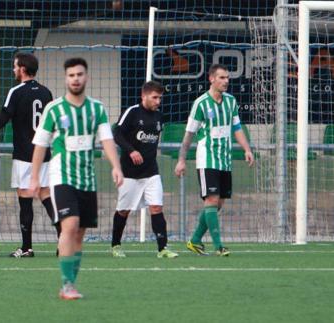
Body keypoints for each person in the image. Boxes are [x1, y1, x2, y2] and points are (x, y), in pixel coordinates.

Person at [29, 57, 123, 300]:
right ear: (66, 78)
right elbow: (40, 145)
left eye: (79, 74)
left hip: (87, 179)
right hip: (62, 177)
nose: (76, 79)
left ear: (86, 77)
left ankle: (70, 283)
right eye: (71, 75)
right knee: (69, 226)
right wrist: (35, 177)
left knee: (80, 233)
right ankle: (66, 284)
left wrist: (116, 167)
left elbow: (107, 140)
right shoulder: (54, 109)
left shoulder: (97, 109)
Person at [0, 53, 60, 257]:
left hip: (25, 154)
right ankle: (65, 239)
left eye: (15, 66)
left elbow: (0, 121)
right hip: (44, 152)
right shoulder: (46, 92)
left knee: (25, 199)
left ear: (23, 69)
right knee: (45, 195)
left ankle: (26, 247)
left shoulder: (15, 91)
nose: (13, 70)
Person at [174, 64, 254, 256]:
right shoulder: (201, 104)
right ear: (211, 79)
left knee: (218, 203)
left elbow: (236, 128)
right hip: (207, 159)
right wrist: (181, 160)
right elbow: (188, 135)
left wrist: (247, 149)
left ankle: (194, 240)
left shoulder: (231, 102)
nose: (226, 81)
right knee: (211, 199)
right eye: (222, 78)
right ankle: (218, 246)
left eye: (227, 78)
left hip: (224, 160)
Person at [111, 81, 179, 259]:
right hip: (129, 173)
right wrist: (131, 150)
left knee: (156, 207)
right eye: (155, 97)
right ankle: (116, 245)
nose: (158, 101)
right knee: (123, 210)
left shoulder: (159, 117)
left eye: (160, 98)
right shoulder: (132, 112)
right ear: (144, 96)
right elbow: (116, 133)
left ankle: (162, 248)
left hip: (151, 172)